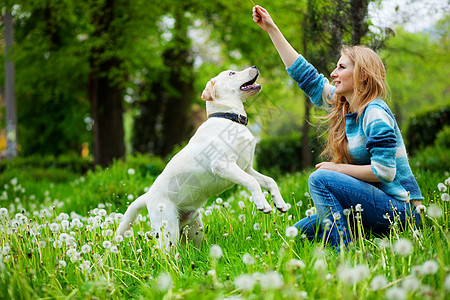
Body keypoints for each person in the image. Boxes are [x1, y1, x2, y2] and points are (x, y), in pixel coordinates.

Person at [252, 5, 423, 250]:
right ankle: (347, 238)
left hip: (401, 212)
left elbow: (385, 172)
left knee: (320, 178)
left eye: (341, 67)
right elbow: (306, 76)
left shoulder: (375, 113)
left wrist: (337, 168)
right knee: (299, 233)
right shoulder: (346, 106)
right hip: (371, 204)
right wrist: (271, 28)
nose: (333, 73)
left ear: (362, 75)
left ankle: (343, 251)